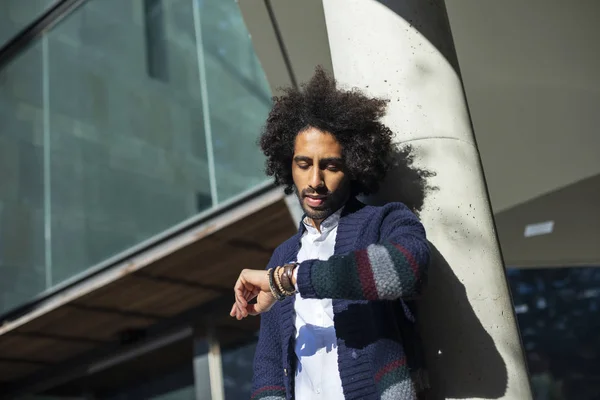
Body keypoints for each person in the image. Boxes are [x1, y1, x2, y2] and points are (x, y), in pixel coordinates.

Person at [230, 67, 431, 400]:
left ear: (353, 165)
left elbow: (406, 269)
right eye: (304, 164)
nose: (315, 181)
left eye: (331, 166)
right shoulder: (282, 256)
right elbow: (268, 366)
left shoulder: (383, 221)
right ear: (288, 165)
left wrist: (288, 280)